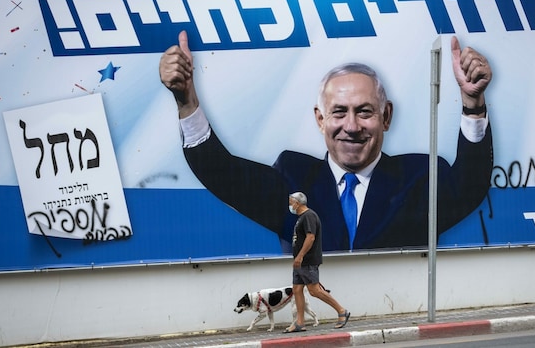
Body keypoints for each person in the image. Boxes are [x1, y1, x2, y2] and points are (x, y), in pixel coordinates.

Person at [159, 31, 493, 252]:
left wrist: (472, 103)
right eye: (338, 113)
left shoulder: (420, 177)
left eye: (364, 112)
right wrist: (186, 102)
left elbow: (469, 186)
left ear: (386, 116)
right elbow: (223, 174)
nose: (351, 126)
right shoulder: (293, 178)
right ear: (321, 120)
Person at [285, 192, 349, 333]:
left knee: (314, 291)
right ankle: (300, 323)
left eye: (291, 202)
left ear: (298, 203)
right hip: (299, 262)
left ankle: (342, 311)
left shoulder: (309, 216)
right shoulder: (301, 217)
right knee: (297, 289)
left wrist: (300, 256)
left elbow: (311, 237)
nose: (290, 205)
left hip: (307, 260)